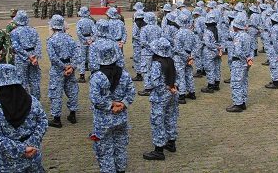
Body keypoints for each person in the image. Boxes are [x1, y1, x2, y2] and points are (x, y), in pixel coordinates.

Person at [0, 64, 48, 172]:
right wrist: (31, 143)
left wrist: (20, 149)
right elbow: (43, 121)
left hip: (7, 163)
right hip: (33, 157)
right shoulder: (32, 101)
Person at [89, 41, 136, 173]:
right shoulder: (125, 74)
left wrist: (110, 105)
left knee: (105, 151)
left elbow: (95, 99)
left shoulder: (97, 77)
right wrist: (122, 104)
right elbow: (132, 92)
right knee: (121, 147)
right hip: (121, 118)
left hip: (103, 121)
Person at [143, 37, 179, 161]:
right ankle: (171, 142)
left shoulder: (157, 63)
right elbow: (176, 77)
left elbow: (155, 82)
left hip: (160, 96)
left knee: (157, 121)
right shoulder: (170, 60)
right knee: (170, 117)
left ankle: (158, 150)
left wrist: (164, 89)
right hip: (172, 94)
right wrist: (172, 87)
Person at [46, 15, 79, 128]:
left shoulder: (51, 40)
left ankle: (56, 119)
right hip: (69, 66)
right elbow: (77, 54)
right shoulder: (70, 38)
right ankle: (73, 115)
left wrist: (63, 67)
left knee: (56, 93)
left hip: (57, 70)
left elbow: (53, 58)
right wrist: (72, 67)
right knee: (72, 91)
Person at [10, 11, 42, 100]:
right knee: (34, 81)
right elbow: (38, 44)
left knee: (22, 81)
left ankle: (24, 101)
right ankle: (36, 101)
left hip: (21, 58)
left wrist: (28, 56)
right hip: (33, 56)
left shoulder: (14, 32)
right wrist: (35, 56)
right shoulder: (33, 30)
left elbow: (16, 46)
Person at [226, 15, 254, 112]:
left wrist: (245, 59)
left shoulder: (238, 37)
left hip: (238, 62)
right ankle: (242, 102)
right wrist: (249, 59)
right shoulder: (247, 36)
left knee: (236, 83)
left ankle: (238, 104)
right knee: (244, 82)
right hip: (245, 63)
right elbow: (252, 49)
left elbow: (238, 52)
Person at [137, 13, 162, 96]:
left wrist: (150, 47)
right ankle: (156, 86)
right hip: (157, 53)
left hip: (146, 53)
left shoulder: (144, 29)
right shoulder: (159, 28)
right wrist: (155, 48)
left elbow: (143, 42)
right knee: (155, 69)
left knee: (146, 70)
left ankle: (148, 88)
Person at [173, 13, 196, 104]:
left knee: (180, 75)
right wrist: (191, 57)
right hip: (189, 56)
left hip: (180, 57)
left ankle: (181, 95)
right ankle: (192, 92)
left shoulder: (178, 34)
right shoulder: (191, 33)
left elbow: (178, 49)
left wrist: (187, 57)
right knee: (189, 74)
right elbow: (196, 46)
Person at [201, 12, 223, 93]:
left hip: (209, 52)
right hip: (218, 52)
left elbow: (207, 43)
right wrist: (219, 48)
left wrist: (215, 47)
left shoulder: (207, 31)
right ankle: (217, 84)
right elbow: (222, 41)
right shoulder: (218, 30)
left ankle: (210, 86)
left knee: (210, 68)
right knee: (217, 67)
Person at [264, 12, 278, 89]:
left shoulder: (274, 28)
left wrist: (277, 50)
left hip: (274, 48)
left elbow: (274, 41)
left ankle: (275, 82)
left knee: (274, 65)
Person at [76, 7, 96, 83]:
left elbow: (78, 32)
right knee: (91, 57)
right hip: (90, 40)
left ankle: (82, 76)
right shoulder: (91, 21)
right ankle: (92, 74)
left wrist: (84, 40)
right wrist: (91, 39)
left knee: (82, 58)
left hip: (82, 41)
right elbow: (95, 32)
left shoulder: (79, 22)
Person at [131, 10, 145, 81]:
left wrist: (140, 39)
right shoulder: (145, 23)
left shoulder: (136, 24)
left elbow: (134, 35)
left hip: (137, 45)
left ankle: (139, 75)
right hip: (144, 45)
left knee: (137, 59)